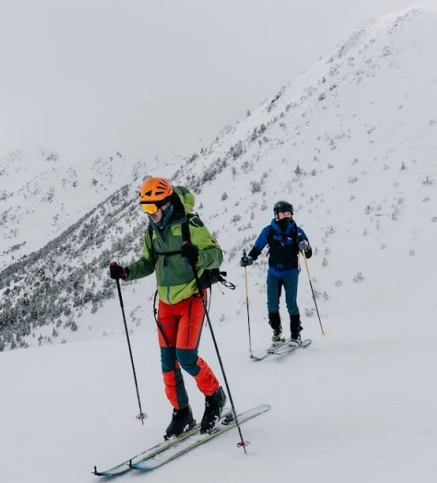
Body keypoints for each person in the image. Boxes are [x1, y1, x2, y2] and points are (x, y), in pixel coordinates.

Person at [109, 177, 227, 438]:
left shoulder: (190, 224)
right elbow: (148, 263)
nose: (149, 214)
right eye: (145, 209)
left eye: (152, 208)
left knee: (186, 357)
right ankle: (182, 411)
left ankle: (215, 395)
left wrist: (198, 256)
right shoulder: (152, 232)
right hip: (165, 304)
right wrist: (126, 272)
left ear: (166, 204)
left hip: (192, 298)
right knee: (167, 363)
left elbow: (216, 254)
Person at [239, 200, 312, 347]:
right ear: (276, 215)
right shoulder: (269, 230)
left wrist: (306, 246)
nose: (287, 216)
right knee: (272, 304)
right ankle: (277, 332)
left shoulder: (296, 231)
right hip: (273, 273)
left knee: (291, 304)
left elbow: (308, 254)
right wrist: (249, 259)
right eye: (283, 213)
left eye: (289, 213)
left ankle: (295, 334)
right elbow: (257, 248)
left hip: (291, 273)